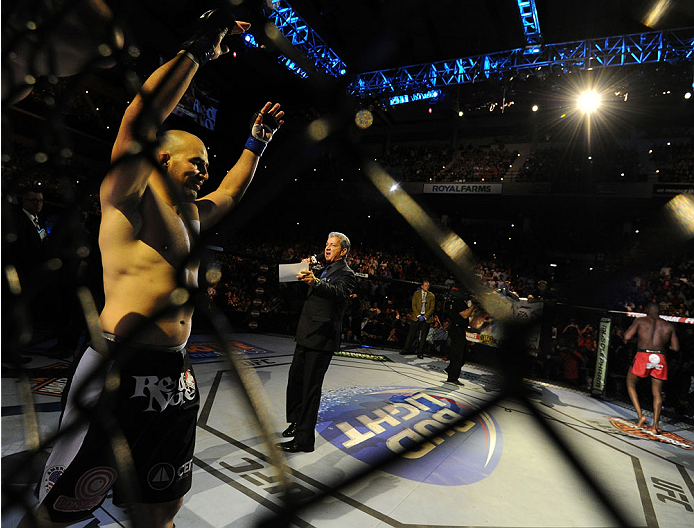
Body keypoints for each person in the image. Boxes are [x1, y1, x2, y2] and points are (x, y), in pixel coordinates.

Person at [22, 9, 284, 528]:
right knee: (61, 511)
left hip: (174, 370)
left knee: (162, 505)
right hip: (118, 364)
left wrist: (257, 142)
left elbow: (231, 191)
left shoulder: (192, 216)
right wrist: (200, 47)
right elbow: (137, 122)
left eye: (208, 162)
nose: (206, 169)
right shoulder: (127, 199)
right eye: (197, 160)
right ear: (161, 160)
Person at [279, 232, 356, 453]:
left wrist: (316, 281)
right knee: (295, 381)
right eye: (326, 244)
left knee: (310, 389)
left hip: (322, 338)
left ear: (343, 251)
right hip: (306, 333)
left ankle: (304, 440)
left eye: (332, 245)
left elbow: (338, 292)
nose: (327, 248)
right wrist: (304, 274)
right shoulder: (325, 269)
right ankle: (296, 422)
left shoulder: (346, 274)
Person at [623, 302, 679, 433]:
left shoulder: (641, 320)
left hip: (643, 354)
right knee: (657, 393)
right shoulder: (668, 325)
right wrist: (661, 346)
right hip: (660, 357)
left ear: (647, 310)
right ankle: (655, 426)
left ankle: (640, 415)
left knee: (630, 383)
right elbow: (675, 348)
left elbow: (626, 336)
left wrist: (640, 339)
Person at [400, 279, 435, 359]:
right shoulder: (416, 294)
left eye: (428, 285)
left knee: (423, 337)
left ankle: (420, 352)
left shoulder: (431, 296)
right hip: (416, 317)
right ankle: (405, 349)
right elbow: (414, 305)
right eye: (426, 285)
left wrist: (425, 316)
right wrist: (419, 315)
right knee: (411, 334)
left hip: (426, 318)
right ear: (422, 286)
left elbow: (432, 308)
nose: (427, 287)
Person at [445, 296, 475, 385]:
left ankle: (450, 369)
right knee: (457, 354)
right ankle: (452, 378)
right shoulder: (458, 301)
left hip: (460, 330)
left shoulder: (459, 301)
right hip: (457, 329)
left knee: (464, 353)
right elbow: (465, 315)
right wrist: (473, 306)